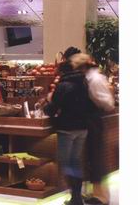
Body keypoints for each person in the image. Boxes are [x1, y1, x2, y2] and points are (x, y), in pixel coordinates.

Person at [45, 53, 91, 205]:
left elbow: (52, 108)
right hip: (82, 128)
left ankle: (75, 197)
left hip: (67, 128)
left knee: (65, 163)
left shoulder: (63, 85)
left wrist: (46, 104)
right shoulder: (84, 82)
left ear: (62, 72)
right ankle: (77, 197)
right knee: (75, 162)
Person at [82, 56, 115, 205]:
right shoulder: (94, 78)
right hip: (93, 122)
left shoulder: (94, 80)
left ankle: (102, 197)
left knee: (96, 159)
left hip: (94, 122)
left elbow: (107, 103)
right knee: (94, 158)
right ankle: (97, 194)